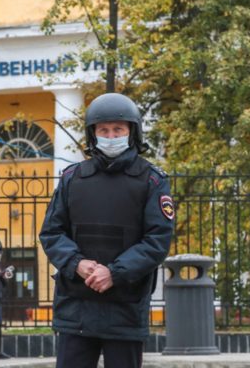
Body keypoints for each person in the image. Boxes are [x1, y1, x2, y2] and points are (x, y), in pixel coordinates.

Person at [40, 93, 175, 368]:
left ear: (131, 132)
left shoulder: (152, 180)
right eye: (103, 130)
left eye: (118, 129)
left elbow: (157, 240)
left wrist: (114, 272)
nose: (110, 136)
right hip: (76, 307)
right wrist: (77, 263)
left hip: (125, 306)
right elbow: (51, 233)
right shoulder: (72, 178)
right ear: (93, 134)